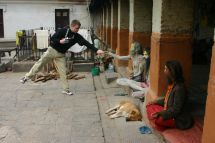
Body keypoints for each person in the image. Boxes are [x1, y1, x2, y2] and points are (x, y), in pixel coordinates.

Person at [20, 20, 104, 95]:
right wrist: (60, 41)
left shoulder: (76, 36)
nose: (77, 30)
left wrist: (96, 50)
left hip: (61, 55)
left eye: (78, 28)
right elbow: (52, 38)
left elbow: (86, 43)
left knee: (63, 72)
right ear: (71, 26)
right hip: (52, 51)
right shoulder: (62, 31)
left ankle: (65, 89)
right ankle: (26, 77)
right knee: (40, 63)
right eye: (76, 28)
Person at [146, 60, 194, 130]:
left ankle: (159, 121)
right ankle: (157, 119)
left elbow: (176, 110)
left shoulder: (180, 88)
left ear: (172, 72)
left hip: (178, 118)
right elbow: (167, 99)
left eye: (166, 69)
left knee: (159, 119)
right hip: (169, 110)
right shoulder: (173, 84)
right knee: (150, 106)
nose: (164, 71)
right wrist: (155, 102)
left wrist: (160, 113)